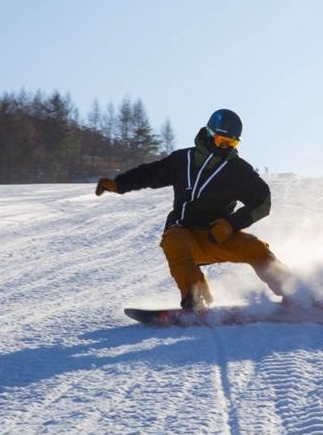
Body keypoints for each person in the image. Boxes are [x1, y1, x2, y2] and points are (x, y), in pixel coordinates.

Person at [95, 109, 294, 311]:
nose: (224, 147)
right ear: (208, 134)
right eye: (220, 141)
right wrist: (118, 184)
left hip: (217, 236)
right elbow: (149, 174)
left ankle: (294, 293)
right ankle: (194, 297)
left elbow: (263, 200)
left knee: (255, 247)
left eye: (231, 144)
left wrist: (232, 224)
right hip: (185, 235)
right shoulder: (183, 160)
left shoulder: (237, 169)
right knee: (174, 240)